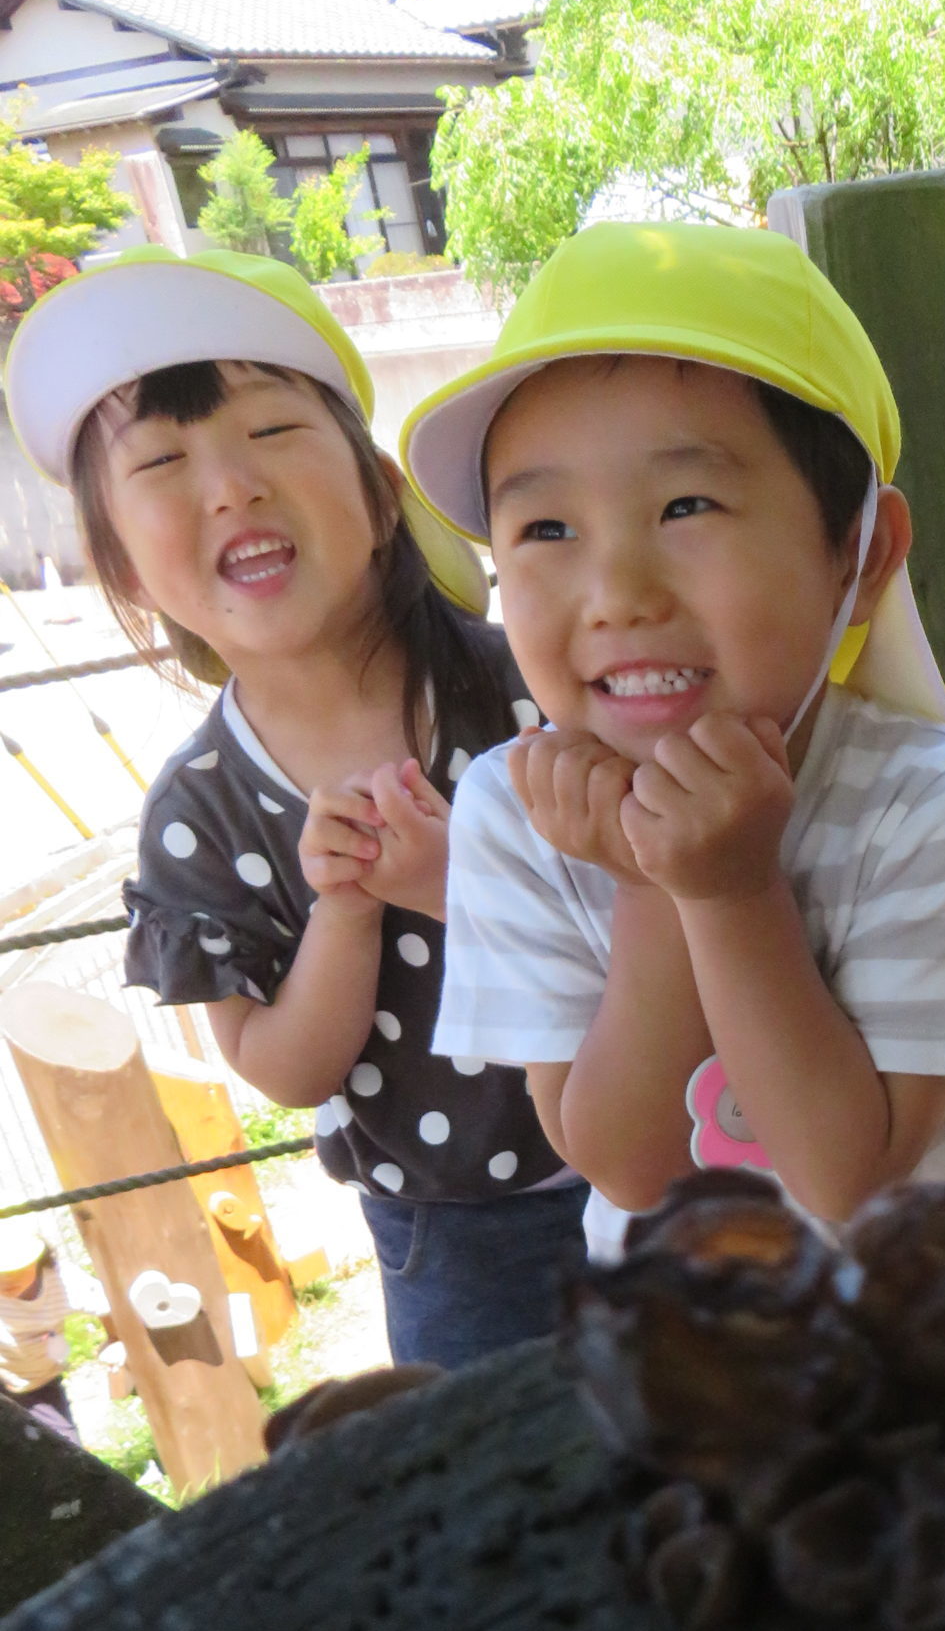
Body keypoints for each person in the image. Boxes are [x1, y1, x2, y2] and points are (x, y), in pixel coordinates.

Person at [402, 221, 945, 1259]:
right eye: (546, 529)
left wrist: (726, 889)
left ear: (861, 551)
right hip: (701, 1372)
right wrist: (648, 888)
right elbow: (630, 1165)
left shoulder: (931, 799)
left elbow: (844, 1174)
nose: (615, 595)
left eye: (686, 504)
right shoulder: (510, 813)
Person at [6, 247, 583, 1369]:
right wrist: (350, 910)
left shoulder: (532, 683)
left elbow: (655, 909)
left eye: (271, 432)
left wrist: (460, 883)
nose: (230, 485)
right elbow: (288, 1069)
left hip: (669, 1158)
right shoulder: (199, 811)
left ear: (378, 487)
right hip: (452, 1237)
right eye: (164, 461)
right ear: (121, 565)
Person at [0, 1220, 105, 1445]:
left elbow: (107, 1304)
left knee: (64, 1445)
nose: (8, 1280)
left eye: (17, 1269)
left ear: (39, 1259)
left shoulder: (61, 1281)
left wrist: (115, 1339)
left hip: (38, 1380)